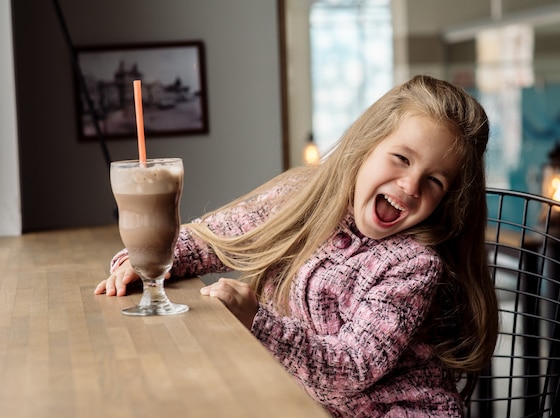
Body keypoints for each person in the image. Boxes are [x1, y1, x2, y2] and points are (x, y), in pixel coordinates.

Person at [95, 74, 499, 417]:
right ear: (365, 147)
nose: (411, 186)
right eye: (401, 158)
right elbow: (215, 238)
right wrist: (151, 259)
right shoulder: (302, 197)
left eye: (434, 181)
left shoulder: (414, 265)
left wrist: (258, 318)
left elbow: (350, 371)